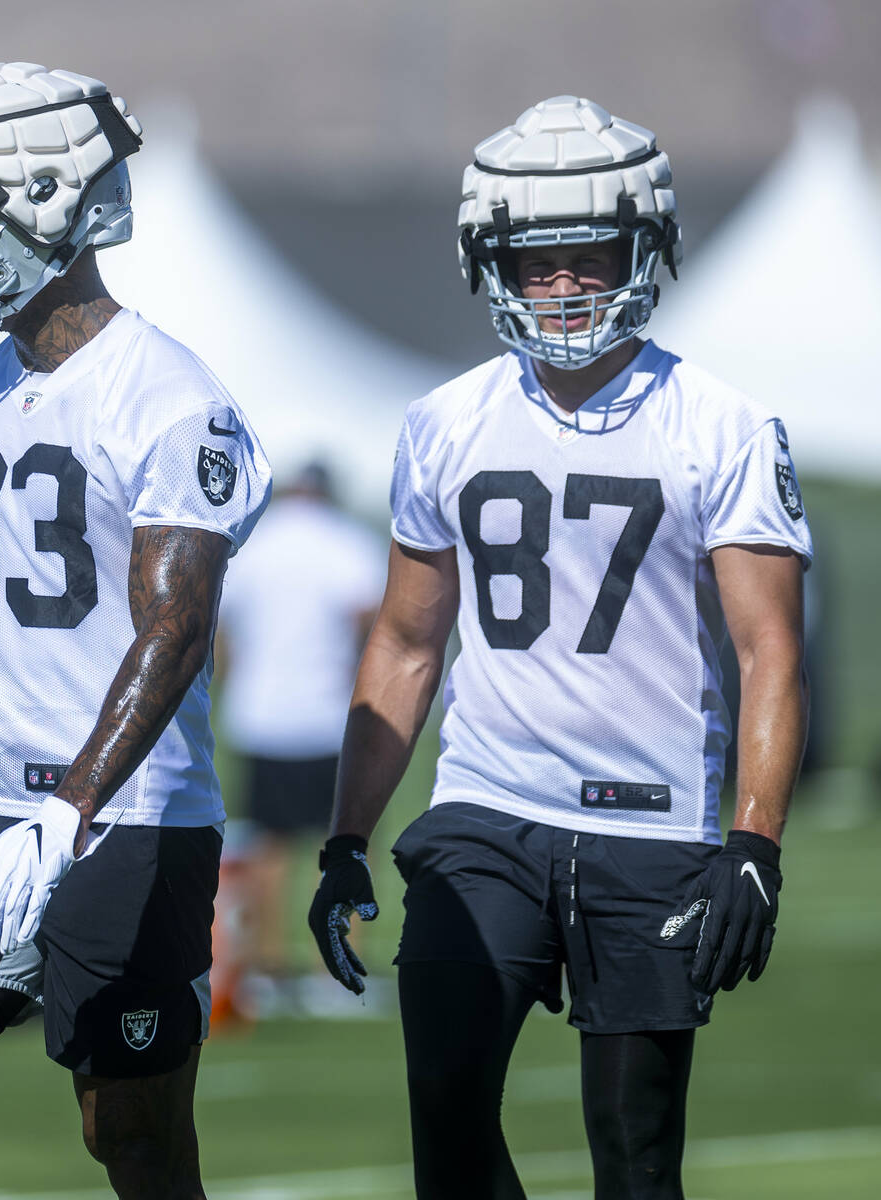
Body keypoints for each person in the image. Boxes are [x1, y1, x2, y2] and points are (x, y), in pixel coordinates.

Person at [308, 96, 811, 1200]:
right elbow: (403, 640)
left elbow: (767, 647)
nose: (566, 284)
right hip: (488, 810)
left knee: (632, 1162)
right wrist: (346, 835)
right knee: (444, 1113)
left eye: (591, 254)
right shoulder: (443, 421)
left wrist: (753, 845)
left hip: (651, 825)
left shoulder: (718, 422)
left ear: (647, 245)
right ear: (487, 263)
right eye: (534, 262)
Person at [0, 63, 271, 1199]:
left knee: (131, 1140)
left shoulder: (171, 396)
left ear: (43, 202)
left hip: (121, 817)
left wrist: (66, 811)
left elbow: (173, 628)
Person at [216, 461, 383, 997]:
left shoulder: (254, 546)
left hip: (261, 713)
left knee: (266, 843)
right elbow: (369, 620)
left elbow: (223, 629)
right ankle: (335, 965)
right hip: (328, 713)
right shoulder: (347, 542)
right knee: (347, 842)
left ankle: (266, 965)